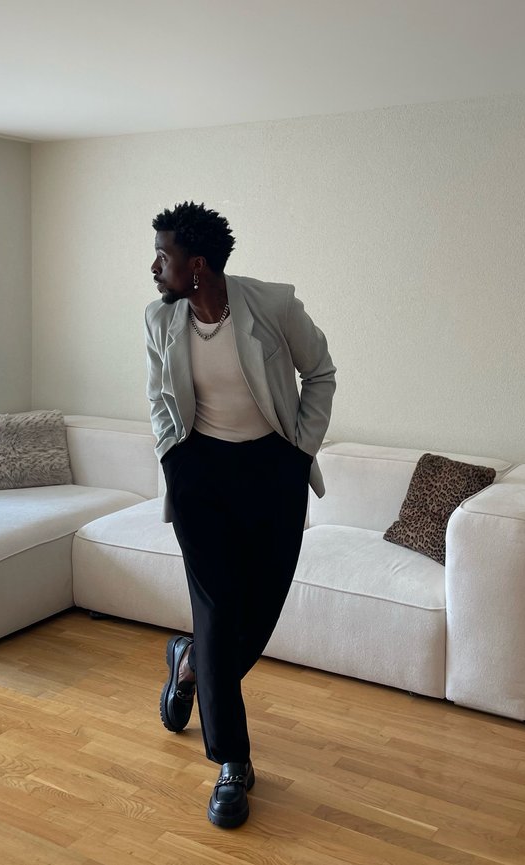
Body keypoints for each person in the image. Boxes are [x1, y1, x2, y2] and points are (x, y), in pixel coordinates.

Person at [145, 201, 336, 829]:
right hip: (199, 476)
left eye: (164, 256)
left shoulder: (272, 307)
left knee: (259, 609)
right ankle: (233, 763)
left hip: (271, 473)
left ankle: (192, 662)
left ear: (196, 264)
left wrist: (298, 451)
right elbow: (158, 397)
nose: (154, 267)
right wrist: (172, 457)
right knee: (220, 610)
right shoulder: (159, 319)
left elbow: (321, 373)